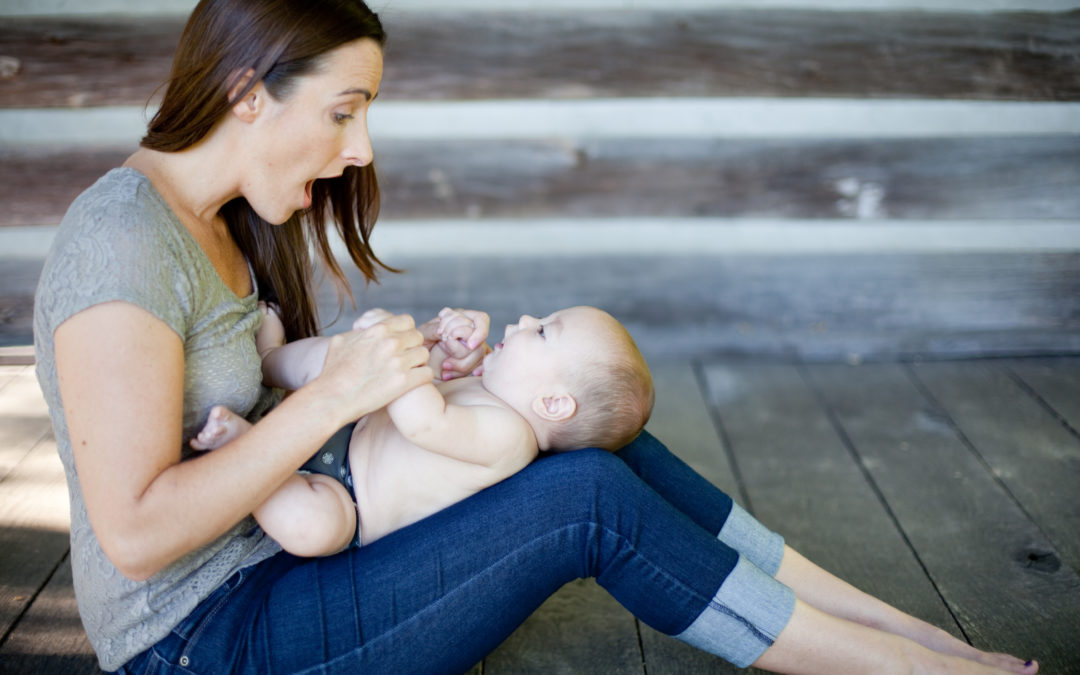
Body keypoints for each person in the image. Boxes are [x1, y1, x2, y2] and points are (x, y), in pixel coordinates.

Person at [31, 0, 1039, 672]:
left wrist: (419, 374)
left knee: (586, 429)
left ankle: (890, 624)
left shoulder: (229, 225)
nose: (363, 147)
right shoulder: (124, 243)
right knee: (582, 497)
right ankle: (902, 667)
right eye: (344, 112)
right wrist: (343, 395)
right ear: (249, 94)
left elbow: (288, 393)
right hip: (206, 636)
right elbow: (136, 532)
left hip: (299, 546)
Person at [190, 304, 655, 555]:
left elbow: (424, 421)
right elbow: (428, 385)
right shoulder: (490, 388)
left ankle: (242, 446)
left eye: (542, 332)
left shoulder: (509, 439)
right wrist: (435, 343)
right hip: (346, 429)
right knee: (341, 358)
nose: (527, 320)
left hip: (345, 497)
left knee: (313, 530)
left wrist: (393, 343)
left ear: (552, 403)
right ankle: (271, 361)